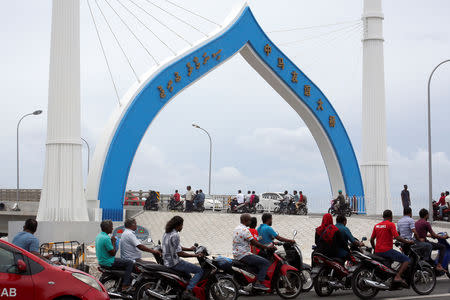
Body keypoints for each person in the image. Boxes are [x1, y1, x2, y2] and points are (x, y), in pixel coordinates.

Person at [162, 216, 203, 299]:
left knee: (188, 276)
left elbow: (177, 247)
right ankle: (188, 291)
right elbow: (180, 253)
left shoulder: (166, 233)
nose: (182, 227)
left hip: (166, 261)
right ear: (178, 225)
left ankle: (181, 291)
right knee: (199, 271)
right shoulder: (175, 235)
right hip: (174, 263)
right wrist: (196, 255)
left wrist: (190, 249)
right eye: (182, 225)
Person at [370, 210, 413, 286]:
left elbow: (371, 239)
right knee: (406, 260)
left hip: (377, 252)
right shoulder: (391, 224)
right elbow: (397, 237)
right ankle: (397, 276)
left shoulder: (376, 226)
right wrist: (407, 242)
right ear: (391, 216)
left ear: (383, 217)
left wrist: (375, 248)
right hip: (387, 251)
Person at [233, 214, 274, 290]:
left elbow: (250, 242)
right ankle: (258, 283)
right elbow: (254, 242)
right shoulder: (245, 230)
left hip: (237, 254)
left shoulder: (237, 228)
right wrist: (266, 248)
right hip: (244, 254)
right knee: (265, 263)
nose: (250, 222)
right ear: (245, 221)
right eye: (249, 220)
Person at [95, 220, 134, 291]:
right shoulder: (106, 238)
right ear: (107, 228)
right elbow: (113, 253)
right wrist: (113, 242)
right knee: (130, 262)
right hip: (108, 261)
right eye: (111, 227)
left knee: (124, 262)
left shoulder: (99, 236)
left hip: (102, 261)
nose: (112, 228)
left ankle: (121, 282)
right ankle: (126, 285)